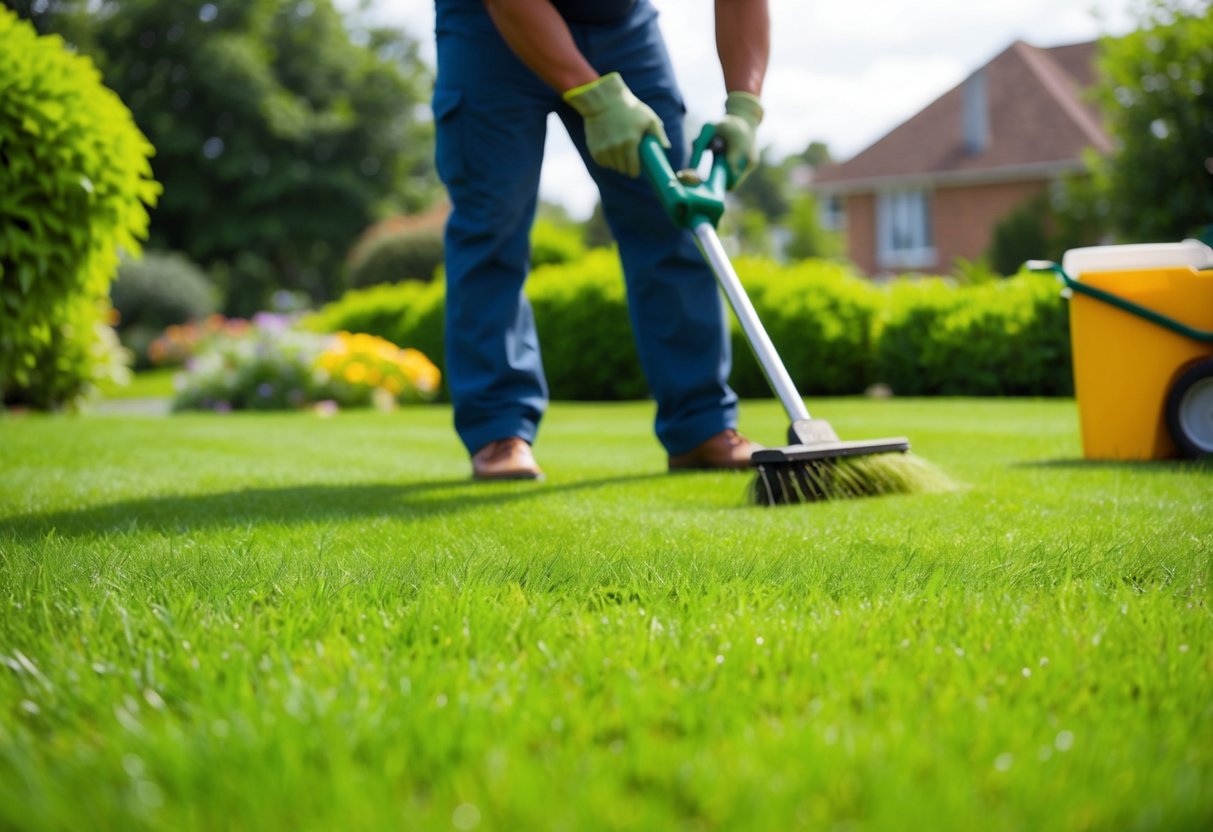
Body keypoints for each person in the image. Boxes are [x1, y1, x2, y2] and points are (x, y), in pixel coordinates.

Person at [433, 0, 770, 480]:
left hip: (621, 26)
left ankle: (701, 427)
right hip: (490, 27)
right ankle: (499, 430)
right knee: (492, 226)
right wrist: (592, 94)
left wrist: (745, 104)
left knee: (672, 214)